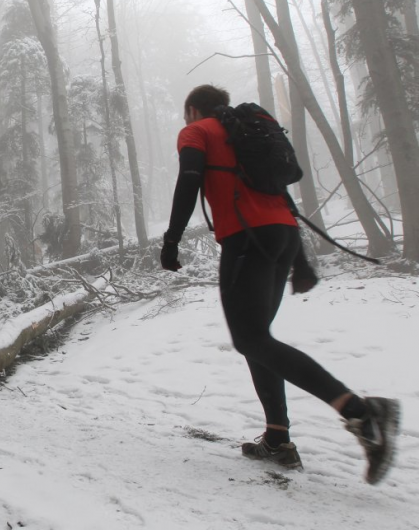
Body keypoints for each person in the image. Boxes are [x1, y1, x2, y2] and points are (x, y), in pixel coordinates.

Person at [161, 84, 401, 484]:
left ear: (192, 108)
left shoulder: (197, 130)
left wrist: (172, 241)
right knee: (259, 338)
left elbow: (189, 180)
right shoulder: (245, 131)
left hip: (246, 240)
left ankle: (362, 412)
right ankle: (277, 439)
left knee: (250, 339)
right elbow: (279, 194)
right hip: (282, 237)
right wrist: (300, 260)